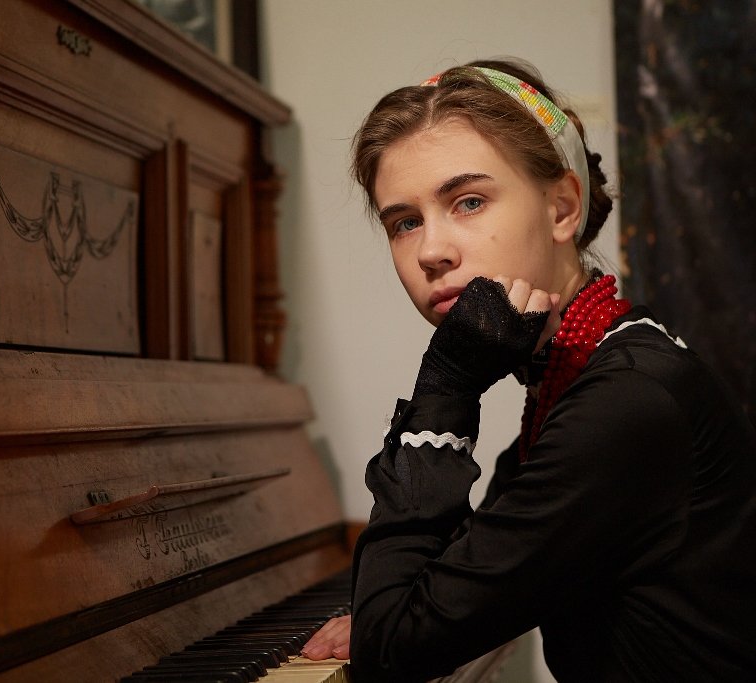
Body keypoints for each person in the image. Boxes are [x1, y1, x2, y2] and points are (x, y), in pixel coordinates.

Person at [299, 58, 756, 682]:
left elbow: (393, 650)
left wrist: (447, 384)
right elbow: (454, 579)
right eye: (405, 222)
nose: (431, 251)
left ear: (562, 208)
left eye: (468, 201)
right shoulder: (573, 375)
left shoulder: (628, 400)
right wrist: (389, 618)